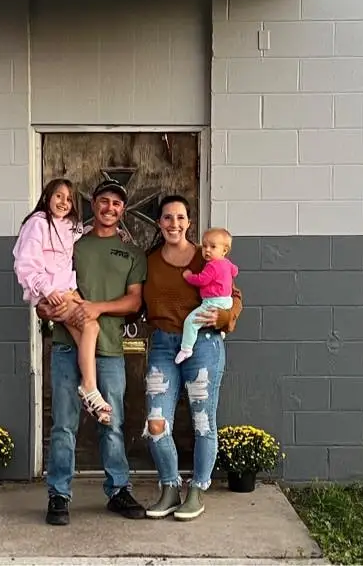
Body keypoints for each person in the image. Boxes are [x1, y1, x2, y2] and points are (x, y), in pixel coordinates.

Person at [35, 179, 148, 526]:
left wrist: (96, 308)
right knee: (64, 425)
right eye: (103, 201)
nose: (109, 208)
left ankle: (118, 490)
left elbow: (134, 300)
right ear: (94, 205)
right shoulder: (73, 244)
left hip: (110, 349)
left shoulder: (132, 253)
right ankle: (58, 495)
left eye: (116, 203)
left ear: (123, 210)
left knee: (111, 422)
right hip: (69, 348)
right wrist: (43, 308)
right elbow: (50, 284)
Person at [141, 195, 242, 522]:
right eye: (167, 218)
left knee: (202, 422)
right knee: (156, 423)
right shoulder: (150, 261)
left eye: (180, 217)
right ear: (159, 223)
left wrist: (225, 319)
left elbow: (234, 296)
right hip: (162, 346)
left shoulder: (206, 257)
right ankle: (170, 487)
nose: (174, 223)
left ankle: (197, 490)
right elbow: (135, 301)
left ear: (189, 223)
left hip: (204, 345)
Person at [11, 177, 112, 425]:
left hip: (68, 290)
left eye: (68, 199)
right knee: (91, 325)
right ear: (47, 196)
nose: (64, 202)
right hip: (55, 292)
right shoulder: (37, 224)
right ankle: (89, 388)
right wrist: (45, 290)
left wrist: (103, 232)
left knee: (87, 334)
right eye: (59, 196)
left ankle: (91, 395)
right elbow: (25, 264)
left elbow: (78, 237)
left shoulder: (68, 225)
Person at [176, 227, 239, 365]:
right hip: (227, 301)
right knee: (214, 319)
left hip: (212, 302)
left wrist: (188, 276)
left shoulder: (212, 266)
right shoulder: (227, 263)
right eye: (204, 246)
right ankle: (221, 331)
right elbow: (235, 271)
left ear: (224, 250)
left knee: (191, 322)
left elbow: (201, 280)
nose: (207, 250)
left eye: (213, 247)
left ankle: (186, 348)